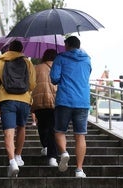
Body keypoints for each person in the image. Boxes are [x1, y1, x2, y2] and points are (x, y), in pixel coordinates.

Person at [0, 40, 36, 177]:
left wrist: (1, 91)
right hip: (23, 100)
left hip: (7, 99)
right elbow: (32, 84)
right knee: (22, 127)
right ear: (22, 49)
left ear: (9, 48)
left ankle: (12, 162)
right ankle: (18, 155)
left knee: (8, 132)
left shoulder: (0, 61)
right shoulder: (27, 62)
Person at [50, 36, 91, 178]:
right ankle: (79, 170)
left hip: (65, 100)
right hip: (83, 101)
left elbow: (54, 79)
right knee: (80, 136)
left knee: (59, 131)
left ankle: (64, 152)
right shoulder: (87, 59)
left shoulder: (60, 58)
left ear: (67, 45)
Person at [31, 49, 58, 166]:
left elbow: (31, 84)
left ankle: (45, 146)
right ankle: (52, 157)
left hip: (39, 101)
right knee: (53, 129)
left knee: (42, 126)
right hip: (55, 101)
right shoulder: (58, 67)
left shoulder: (36, 68)